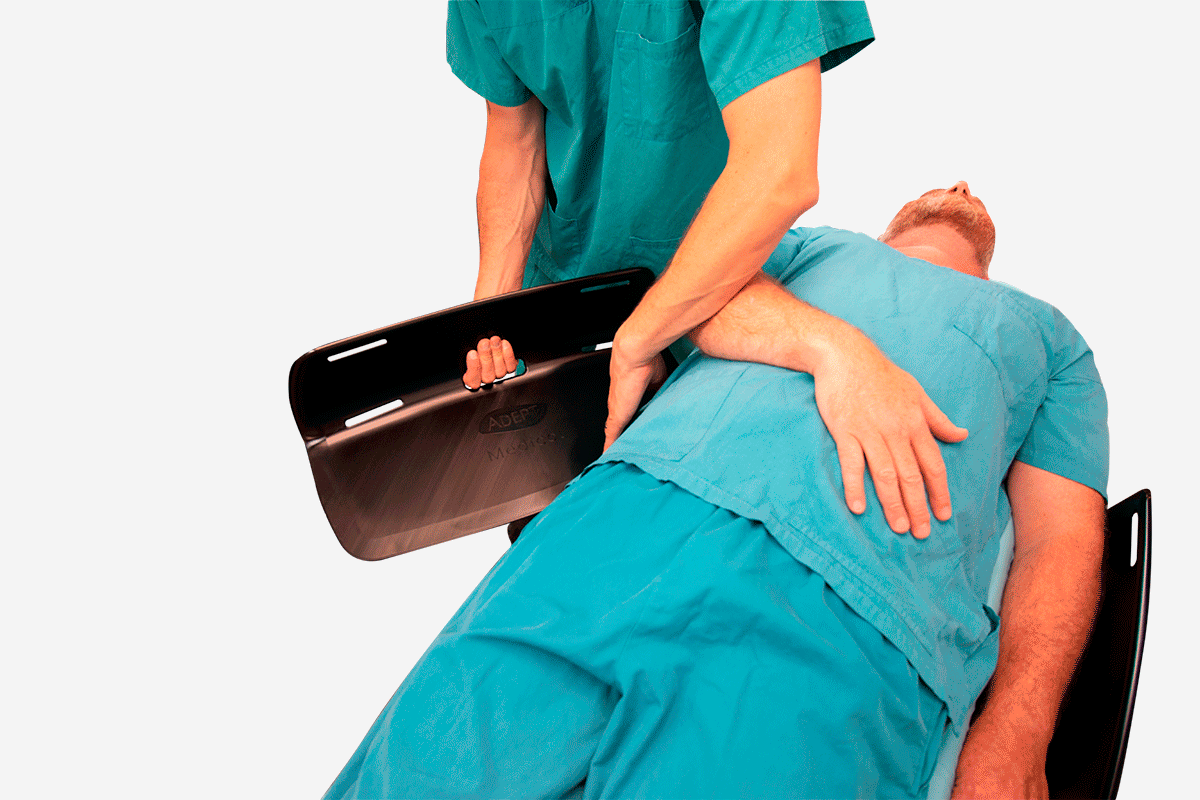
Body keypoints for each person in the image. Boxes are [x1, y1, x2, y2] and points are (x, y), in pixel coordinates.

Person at [321, 184, 1108, 799]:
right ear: (892, 220)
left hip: (853, 606)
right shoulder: (806, 247)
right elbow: (699, 297)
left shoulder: (1049, 339)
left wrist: (1016, 736)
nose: (962, 183)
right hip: (612, 532)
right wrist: (840, 353)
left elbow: (1060, 539)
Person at [448, 2, 979, 541]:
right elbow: (513, 139)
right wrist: (489, 321)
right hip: (569, 313)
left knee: (708, 539)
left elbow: (779, 170)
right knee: (556, 551)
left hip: (722, 300)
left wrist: (638, 340)